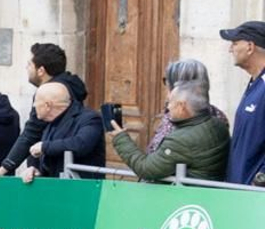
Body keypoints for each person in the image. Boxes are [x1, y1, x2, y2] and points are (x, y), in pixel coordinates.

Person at [0, 42, 87, 178]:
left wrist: (4, 168)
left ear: (41, 71)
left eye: (29, 64)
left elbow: (31, 133)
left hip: (56, 171)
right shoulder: (71, 87)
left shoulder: (48, 95)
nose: (26, 68)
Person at [110, 77, 229, 182]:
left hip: (184, 200)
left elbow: (146, 169)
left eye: (170, 102)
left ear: (182, 107)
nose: (168, 107)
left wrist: (120, 138)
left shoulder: (180, 141)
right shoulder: (218, 124)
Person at [0, 80, 104, 183]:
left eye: (36, 103)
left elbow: (80, 144)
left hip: (84, 192)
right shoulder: (49, 122)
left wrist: (44, 147)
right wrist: (36, 171)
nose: (34, 107)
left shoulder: (90, 119)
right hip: (56, 190)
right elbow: (49, 160)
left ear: (47, 105)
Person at [148, 59, 227, 150]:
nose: (166, 86)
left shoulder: (177, 118)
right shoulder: (218, 115)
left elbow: (155, 158)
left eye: (169, 81)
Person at [221, 20, 265, 186]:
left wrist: (259, 180)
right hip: (241, 192)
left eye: (234, 43)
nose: (230, 49)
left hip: (256, 197)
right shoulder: (255, 83)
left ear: (250, 47)